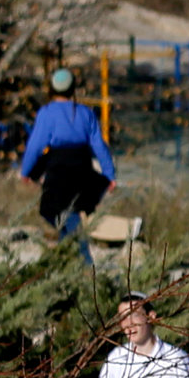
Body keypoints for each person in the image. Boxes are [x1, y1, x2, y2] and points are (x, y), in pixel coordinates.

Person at [18, 70, 116, 264]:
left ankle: (82, 263)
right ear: (73, 89)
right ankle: (69, 260)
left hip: (58, 169)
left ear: (52, 89)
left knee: (60, 214)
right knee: (69, 215)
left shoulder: (46, 113)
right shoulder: (86, 113)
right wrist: (109, 174)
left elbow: (35, 145)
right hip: (81, 168)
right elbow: (99, 145)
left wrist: (26, 172)